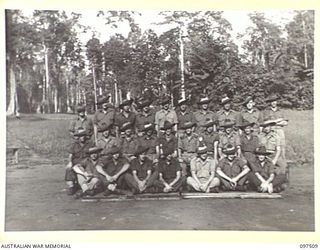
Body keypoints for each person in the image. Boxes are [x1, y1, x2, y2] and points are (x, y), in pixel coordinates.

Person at [65, 129, 95, 195]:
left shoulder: (90, 144)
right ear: (78, 137)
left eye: (83, 136)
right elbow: (70, 156)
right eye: (80, 136)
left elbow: (93, 153)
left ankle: (87, 185)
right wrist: (70, 162)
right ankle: (71, 187)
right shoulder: (74, 145)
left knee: (90, 170)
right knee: (69, 169)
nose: (82, 137)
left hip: (86, 162)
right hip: (76, 162)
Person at [263, 94, 288, 159]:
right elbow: (264, 122)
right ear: (270, 102)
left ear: (277, 102)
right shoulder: (266, 111)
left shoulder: (281, 111)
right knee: (270, 147)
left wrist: (272, 122)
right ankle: (270, 162)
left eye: (275, 101)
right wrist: (277, 120)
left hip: (280, 130)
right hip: (270, 130)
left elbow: (285, 123)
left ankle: (282, 162)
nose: (274, 103)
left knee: (282, 146)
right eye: (272, 101)